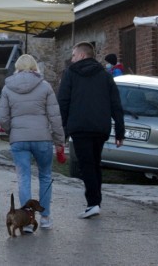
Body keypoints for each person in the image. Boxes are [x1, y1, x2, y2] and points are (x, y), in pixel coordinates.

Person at [0, 54, 65, 232]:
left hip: (19, 140)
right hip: (42, 138)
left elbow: (2, 117)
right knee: (45, 176)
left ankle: (26, 221)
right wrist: (59, 140)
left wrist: (13, 130)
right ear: (35, 67)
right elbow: (55, 118)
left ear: (17, 68)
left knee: (23, 178)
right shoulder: (45, 87)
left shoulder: (8, 88)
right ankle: (46, 218)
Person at [57, 42, 125, 219]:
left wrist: (61, 132)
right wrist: (119, 132)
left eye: (73, 55)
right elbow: (116, 105)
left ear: (81, 55)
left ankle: (93, 203)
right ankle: (96, 202)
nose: (71, 59)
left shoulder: (70, 74)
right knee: (95, 163)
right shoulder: (105, 75)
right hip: (100, 127)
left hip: (79, 127)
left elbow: (63, 103)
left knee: (86, 165)